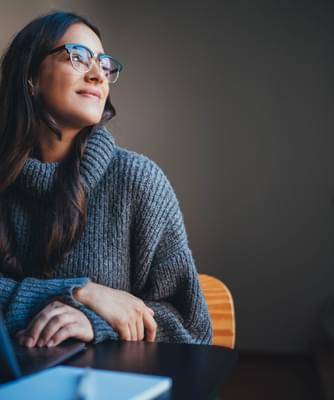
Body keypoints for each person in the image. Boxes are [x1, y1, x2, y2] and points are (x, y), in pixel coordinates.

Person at [0, 11, 211, 348]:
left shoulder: (138, 182)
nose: (99, 75)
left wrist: (96, 321)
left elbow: (191, 326)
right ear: (31, 77)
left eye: (104, 64)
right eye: (79, 57)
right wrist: (81, 292)